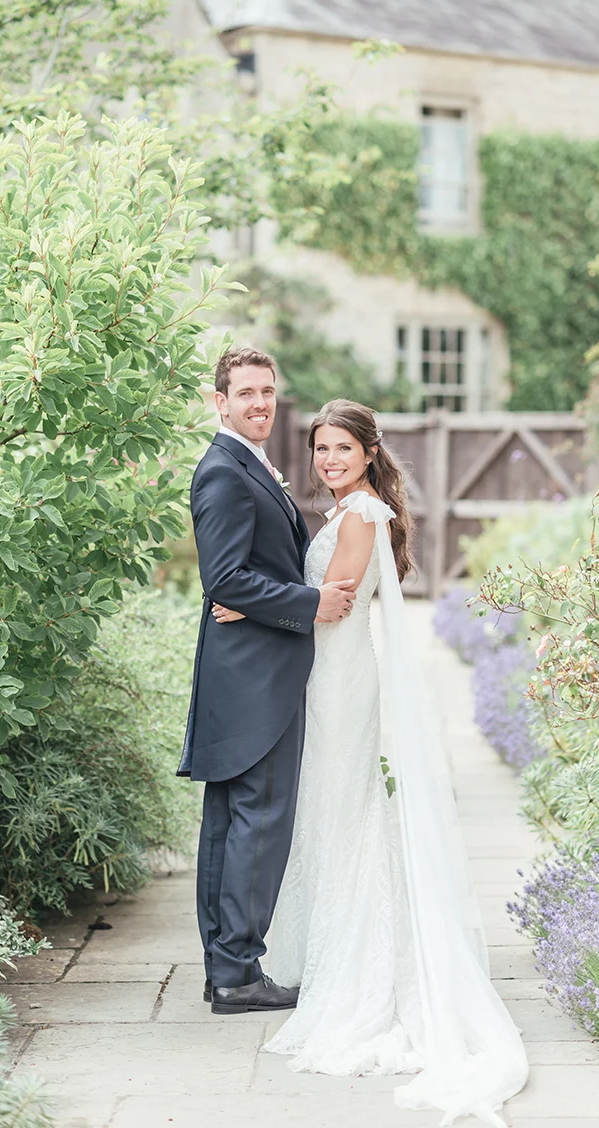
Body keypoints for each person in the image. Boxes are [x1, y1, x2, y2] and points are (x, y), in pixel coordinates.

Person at [211, 398, 529, 1126]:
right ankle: (318, 954)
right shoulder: (346, 510)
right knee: (326, 813)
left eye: (341, 450)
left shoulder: (363, 517)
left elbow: (333, 607)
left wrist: (248, 609)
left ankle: (356, 971)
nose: (328, 460)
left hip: (338, 683)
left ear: (367, 452)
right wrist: (259, 604)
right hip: (323, 678)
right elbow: (310, 597)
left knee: (340, 813)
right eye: (320, 448)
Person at [178, 348, 356, 1016]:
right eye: (246, 392)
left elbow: (240, 576)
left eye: (268, 392)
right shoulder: (224, 473)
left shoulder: (244, 465)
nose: (259, 403)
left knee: (234, 823)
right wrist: (309, 605)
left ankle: (229, 968)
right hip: (255, 679)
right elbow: (224, 579)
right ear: (217, 400)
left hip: (247, 671)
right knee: (258, 821)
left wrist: (260, 594)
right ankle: (238, 972)